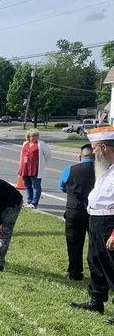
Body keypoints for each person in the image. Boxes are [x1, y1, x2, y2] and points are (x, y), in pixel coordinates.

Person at [70, 127, 114, 318]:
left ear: (104, 148)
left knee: (111, 265)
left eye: (95, 148)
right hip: (95, 220)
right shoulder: (105, 170)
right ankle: (96, 300)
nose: (93, 152)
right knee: (95, 261)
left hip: (109, 222)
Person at [58, 144, 95, 280]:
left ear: (80, 157)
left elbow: (62, 186)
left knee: (74, 242)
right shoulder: (103, 171)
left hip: (74, 210)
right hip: (95, 212)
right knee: (95, 243)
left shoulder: (69, 170)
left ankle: (75, 272)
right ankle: (96, 272)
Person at [18, 129, 52, 209]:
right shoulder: (25, 143)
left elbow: (48, 155)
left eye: (36, 136)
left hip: (35, 168)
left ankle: (34, 203)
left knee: (36, 186)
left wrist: (42, 162)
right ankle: (29, 201)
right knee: (27, 185)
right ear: (28, 137)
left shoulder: (41, 144)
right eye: (33, 136)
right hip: (25, 167)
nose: (35, 137)